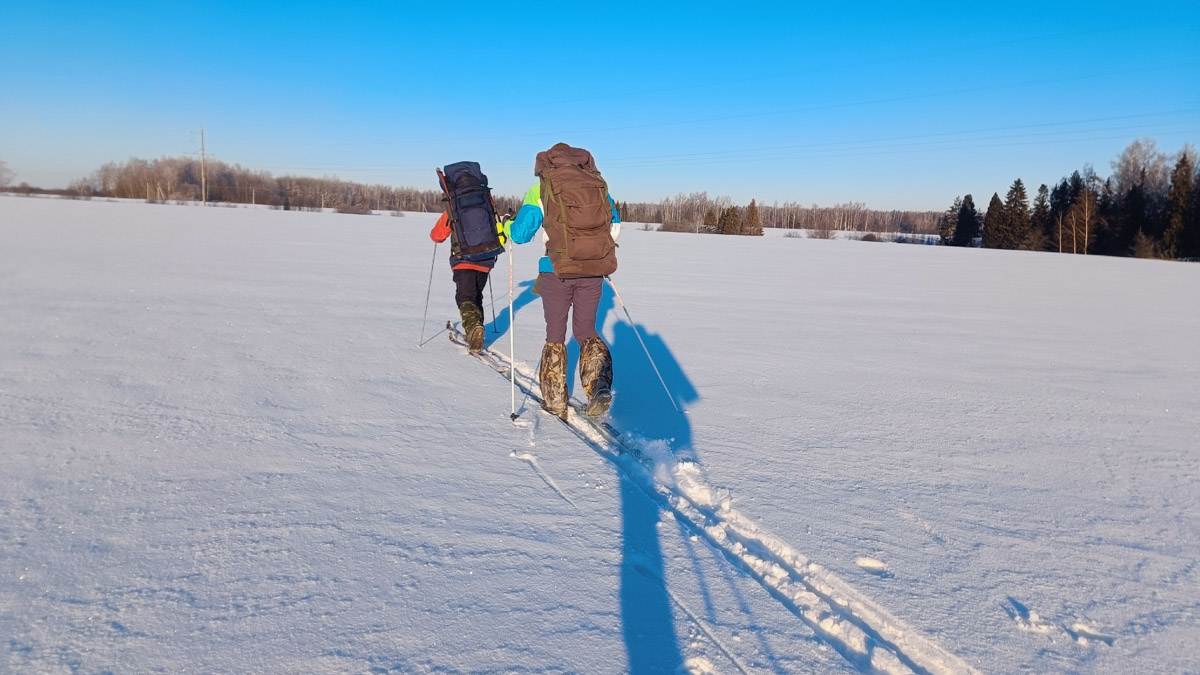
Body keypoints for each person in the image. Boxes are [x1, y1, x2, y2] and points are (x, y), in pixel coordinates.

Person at [507, 143, 620, 419]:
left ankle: (556, 399)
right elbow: (614, 228)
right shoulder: (596, 186)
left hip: (555, 270)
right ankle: (598, 388)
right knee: (586, 330)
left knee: (555, 335)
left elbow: (521, 234)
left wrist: (508, 223)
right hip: (593, 272)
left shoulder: (541, 189)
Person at [429, 208, 506, 354]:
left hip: (463, 259)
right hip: (486, 259)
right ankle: (477, 332)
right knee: (476, 296)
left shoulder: (454, 204)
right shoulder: (487, 203)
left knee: (465, 297)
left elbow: (437, 236)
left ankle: (474, 328)